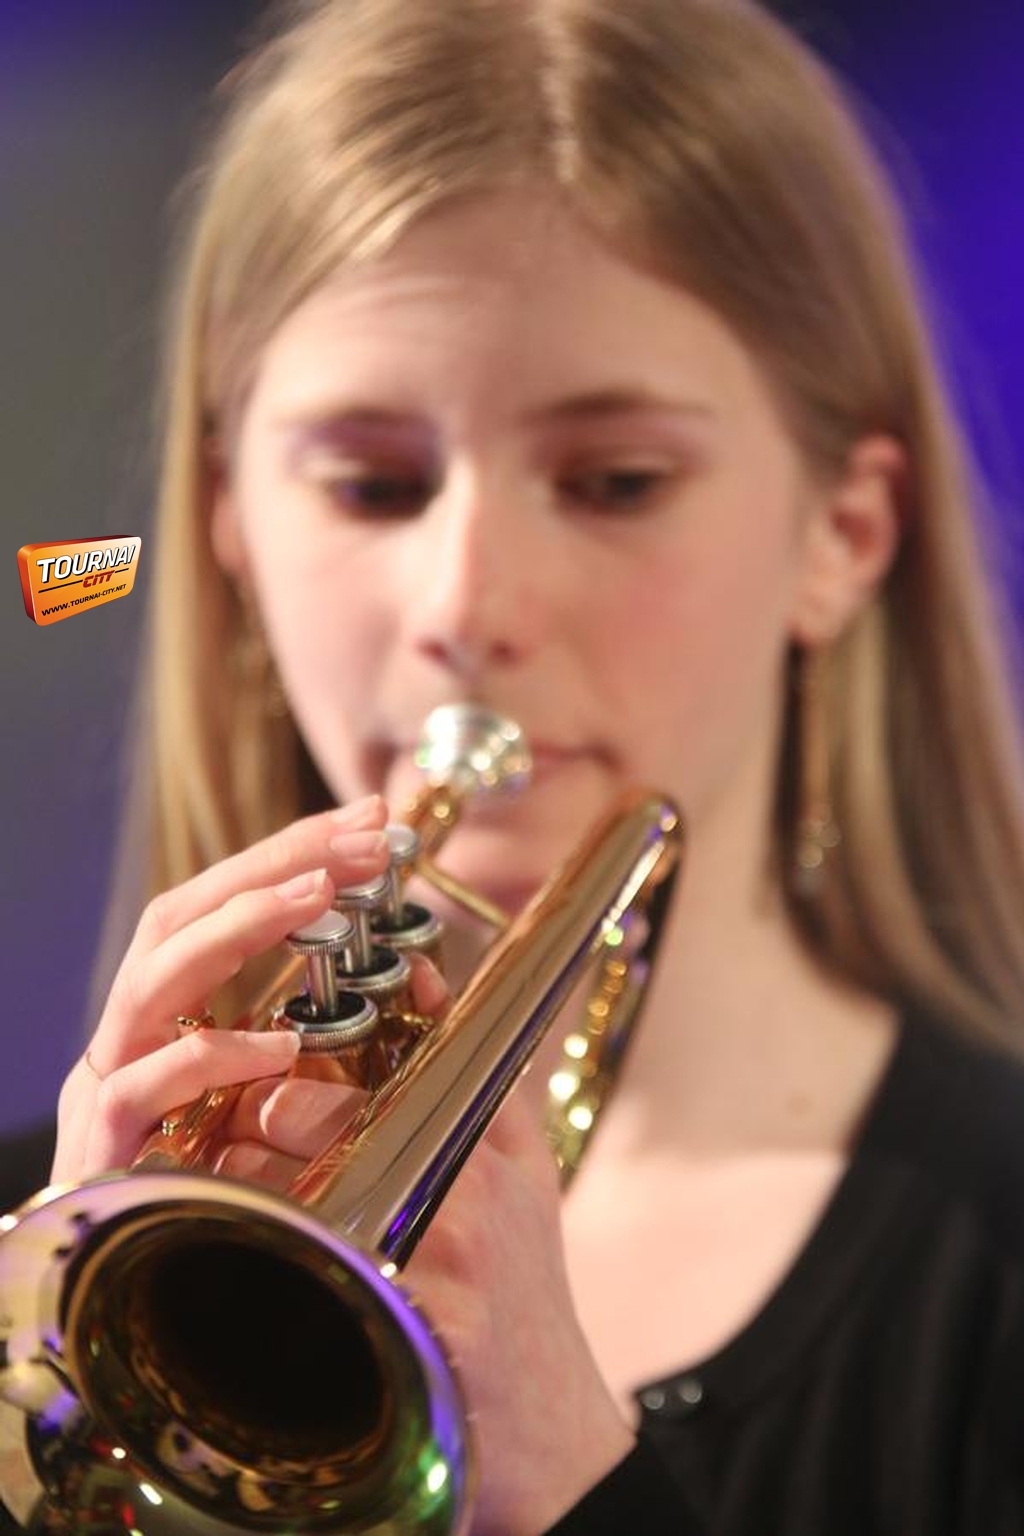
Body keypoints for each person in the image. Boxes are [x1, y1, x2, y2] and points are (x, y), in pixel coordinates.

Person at [19, 0, 1024, 1531]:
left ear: (844, 535)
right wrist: (69, 1384)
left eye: (615, 481)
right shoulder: (46, 1243)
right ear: (231, 524)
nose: (469, 605)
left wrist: (577, 1487)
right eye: (373, 484)